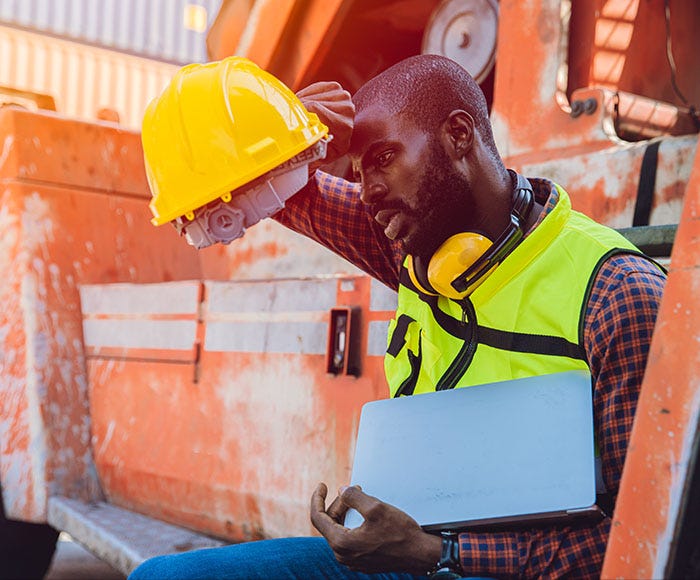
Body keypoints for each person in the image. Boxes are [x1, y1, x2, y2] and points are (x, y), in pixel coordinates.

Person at [131, 54, 665, 579]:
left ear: (459, 136)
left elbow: (640, 537)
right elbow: (274, 192)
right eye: (359, 173)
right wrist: (291, 126)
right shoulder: (417, 251)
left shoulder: (616, 295)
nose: (368, 192)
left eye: (384, 158)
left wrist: (440, 554)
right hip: (408, 558)